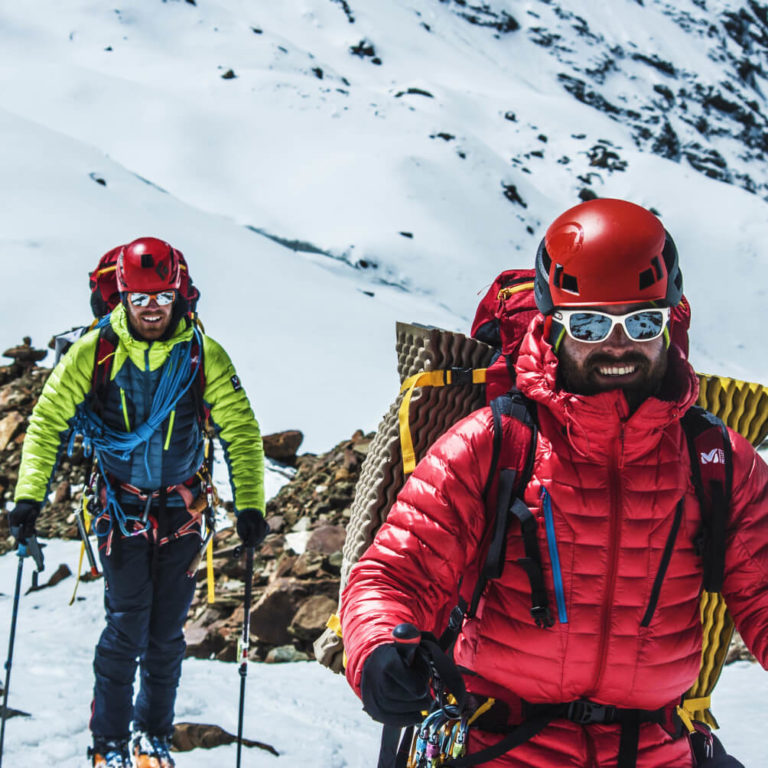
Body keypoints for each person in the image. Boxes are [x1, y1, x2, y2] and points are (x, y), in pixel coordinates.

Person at [340, 199, 768, 768]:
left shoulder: (714, 460)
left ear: (672, 321)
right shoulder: (495, 443)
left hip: (656, 749)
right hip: (505, 745)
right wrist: (376, 647)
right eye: (591, 324)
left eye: (642, 323)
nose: (618, 346)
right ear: (554, 324)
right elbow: (396, 572)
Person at [8, 237, 267, 768]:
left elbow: (241, 430)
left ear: (180, 294)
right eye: (142, 298)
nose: (153, 308)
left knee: (167, 634)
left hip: (182, 510)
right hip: (121, 509)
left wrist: (251, 507)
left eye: (163, 297)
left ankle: (153, 735)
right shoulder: (96, 350)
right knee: (127, 627)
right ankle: (108, 740)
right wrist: (29, 497)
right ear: (122, 296)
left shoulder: (202, 353)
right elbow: (47, 421)